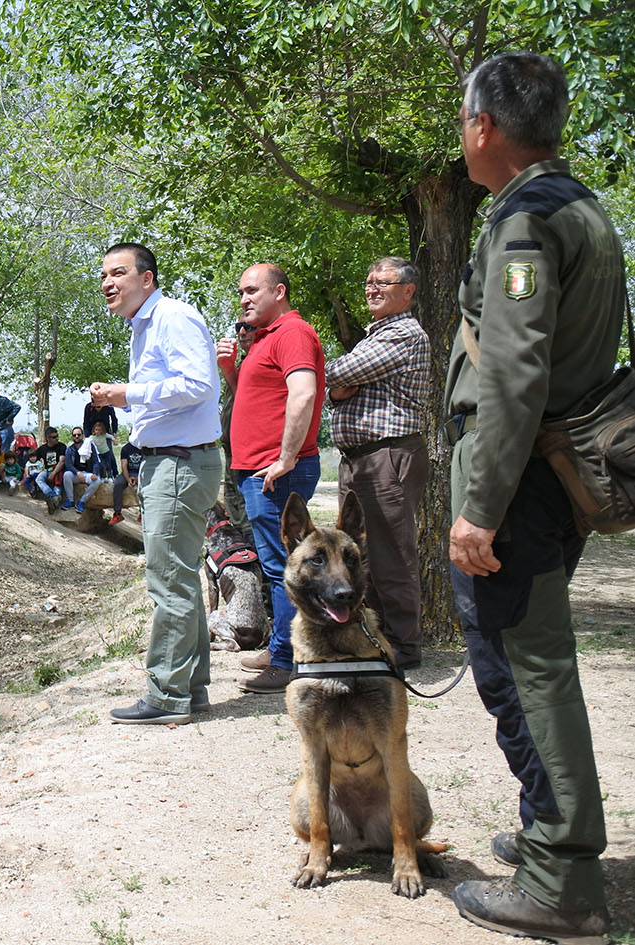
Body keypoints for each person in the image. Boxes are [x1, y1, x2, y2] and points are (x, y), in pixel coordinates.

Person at [444, 53, 616, 942]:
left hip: (515, 487)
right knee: (527, 658)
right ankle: (550, 833)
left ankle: (561, 879)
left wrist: (479, 505)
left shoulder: (522, 219)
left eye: (461, 117)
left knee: (524, 667)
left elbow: (512, 373)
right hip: (547, 477)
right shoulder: (579, 204)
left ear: (484, 126)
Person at [91, 242, 222, 726]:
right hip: (169, 463)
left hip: (179, 465)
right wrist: (127, 401)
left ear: (146, 279)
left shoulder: (172, 318)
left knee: (169, 584)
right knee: (181, 579)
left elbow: (199, 385)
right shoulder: (145, 326)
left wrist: (128, 394)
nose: (107, 282)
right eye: (103, 274)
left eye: (118, 273)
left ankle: (166, 697)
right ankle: (192, 688)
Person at [219, 263, 325, 695]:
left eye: (252, 291)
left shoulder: (293, 333)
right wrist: (230, 369)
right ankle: (281, 647)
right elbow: (256, 397)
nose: (244, 299)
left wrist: (285, 458)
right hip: (257, 469)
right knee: (274, 563)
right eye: (240, 292)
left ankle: (288, 661)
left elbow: (304, 392)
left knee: (286, 566)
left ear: (279, 291)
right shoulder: (263, 339)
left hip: (275, 471)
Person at [325, 257, 431, 670]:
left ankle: (404, 648)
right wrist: (338, 391)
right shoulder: (376, 335)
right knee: (361, 555)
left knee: (390, 555)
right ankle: (375, 639)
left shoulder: (402, 333)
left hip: (386, 457)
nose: (371, 288)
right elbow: (339, 386)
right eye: (368, 281)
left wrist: (338, 380)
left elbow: (339, 371)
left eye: (382, 282)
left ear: (408, 291)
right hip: (361, 460)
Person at [62, 426, 106, 513]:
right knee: (66, 474)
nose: (77, 437)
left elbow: (96, 462)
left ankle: (81, 502)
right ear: (72, 437)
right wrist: (77, 472)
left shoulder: (90, 447)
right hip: (76, 474)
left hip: (87, 474)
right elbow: (68, 465)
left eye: (79, 434)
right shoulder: (70, 450)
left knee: (97, 481)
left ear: (82, 436)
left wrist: (95, 473)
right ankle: (70, 500)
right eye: (74, 435)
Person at [31, 427, 67, 511]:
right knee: (39, 479)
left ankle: (53, 503)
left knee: (57, 486)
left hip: (58, 471)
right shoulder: (42, 449)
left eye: (57, 436)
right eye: (54, 437)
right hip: (47, 470)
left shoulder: (61, 446)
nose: (57, 438)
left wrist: (54, 473)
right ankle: (53, 497)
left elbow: (62, 462)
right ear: (48, 438)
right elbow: (32, 458)